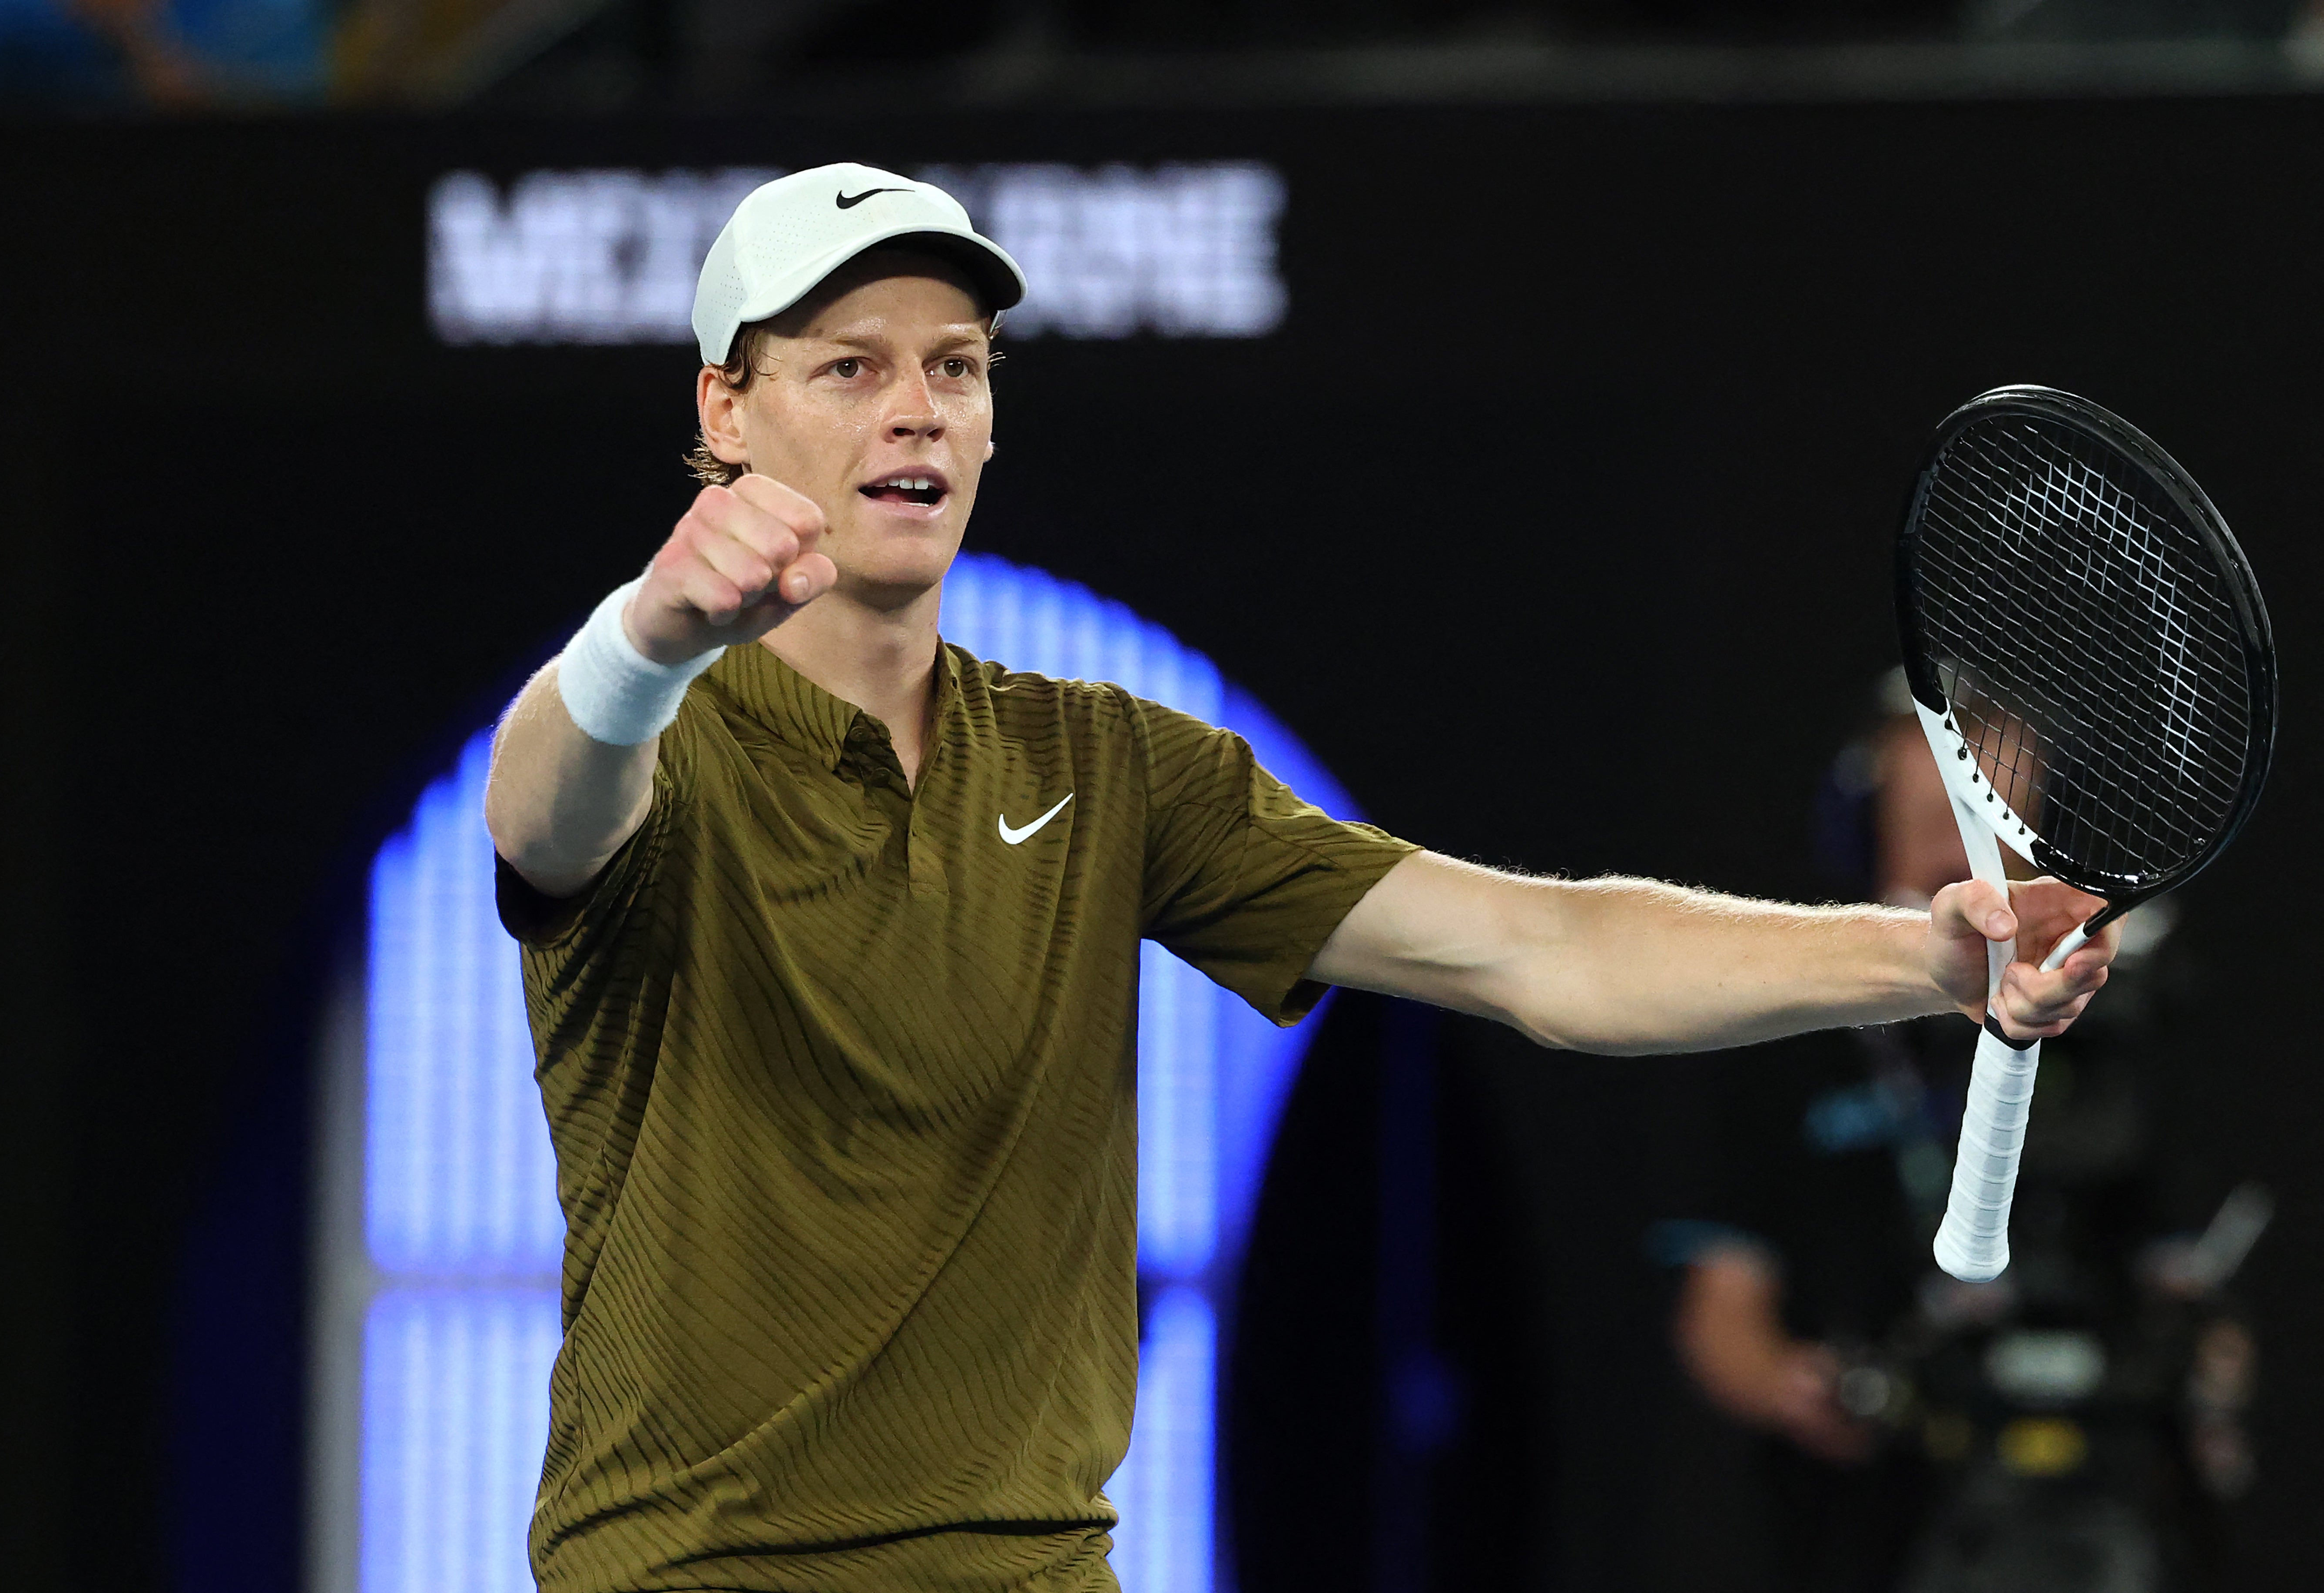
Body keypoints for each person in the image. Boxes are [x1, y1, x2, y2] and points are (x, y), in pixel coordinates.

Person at [482, 163, 2116, 1593]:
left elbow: (1538, 950)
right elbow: (544, 811)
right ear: (724, 410)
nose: (917, 408)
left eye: (957, 368)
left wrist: (1924, 957)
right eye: (850, 367)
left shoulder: (1110, 766)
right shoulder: (655, 735)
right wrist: (642, 643)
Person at [1657, 674, 2255, 1593]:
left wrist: (2195, 1389)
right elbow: (1721, 1307)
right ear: (1867, 822)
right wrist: (1800, 1386)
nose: (1961, 840)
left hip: (2100, 1503)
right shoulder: (1782, 1029)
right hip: (1871, 1520)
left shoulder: (2123, 1027)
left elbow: (2187, 1284)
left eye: (1987, 811)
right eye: (1932, 809)